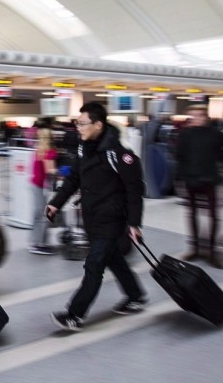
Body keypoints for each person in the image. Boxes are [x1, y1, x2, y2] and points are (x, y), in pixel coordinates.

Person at [46, 102, 146, 332]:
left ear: (98, 124)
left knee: (94, 265)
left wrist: (133, 223)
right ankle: (136, 296)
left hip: (112, 220)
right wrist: (55, 204)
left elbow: (135, 189)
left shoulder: (119, 154)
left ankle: (74, 315)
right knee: (115, 261)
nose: (78, 127)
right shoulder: (84, 148)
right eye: (77, 123)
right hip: (92, 216)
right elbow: (73, 179)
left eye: (82, 123)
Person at [175, 104, 223, 269]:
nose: (197, 118)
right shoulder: (185, 134)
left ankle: (211, 251)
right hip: (191, 179)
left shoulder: (215, 134)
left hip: (209, 179)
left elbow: (221, 154)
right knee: (192, 215)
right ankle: (195, 248)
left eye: (199, 115)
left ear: (205, 117)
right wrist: (180, 178)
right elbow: (179, 156)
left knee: (214, 216)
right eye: (193, 115)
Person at [29, 128, 58, 255]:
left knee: (37, 214)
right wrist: (63, 171)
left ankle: (35, 242)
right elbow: (50, 170)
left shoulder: (38, 150)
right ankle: (39, 244)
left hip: (35, 184)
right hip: (41, 186)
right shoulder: (49, 152)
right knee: (43, 215)